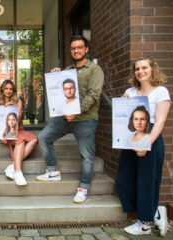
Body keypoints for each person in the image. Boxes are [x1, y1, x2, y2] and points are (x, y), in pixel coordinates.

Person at [36, 35, 104, 204]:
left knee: (86, 156)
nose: (76, 50)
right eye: (73, 48)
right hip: (65, 118)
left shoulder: (95, 70)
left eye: (80, 47)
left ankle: (83, 188)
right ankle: (52, 171)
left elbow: (94, 95)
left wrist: (77, 110)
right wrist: (56, 76)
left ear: (86, 49)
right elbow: (59, 92)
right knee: (44, 137)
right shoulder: (67, 70)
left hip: (86, 119)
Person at [116, 56, 170, 236]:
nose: (140, 71)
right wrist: (123, 103)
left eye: (144, 68)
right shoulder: (130, 91)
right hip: (131, 139)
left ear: (152, 69)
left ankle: (146, 223)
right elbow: (124, 118)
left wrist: (146, 143)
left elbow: (160, 121)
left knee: (146, 181)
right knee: (124, 179)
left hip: (151, 137)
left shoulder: (160, 91)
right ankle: (153, 210)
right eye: (137, 69)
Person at [0, 80, 38, 186]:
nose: (8, 91)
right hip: (4, 131)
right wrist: (2, 136)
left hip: (17, 129)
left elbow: (18, 119)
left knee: (34, 139)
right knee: (21, 141)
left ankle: (12, 165)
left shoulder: (18, 101)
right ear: (2, 89)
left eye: (11, 89)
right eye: (6, 88)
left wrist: (12, 109)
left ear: (13, 90)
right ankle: (18, 172)